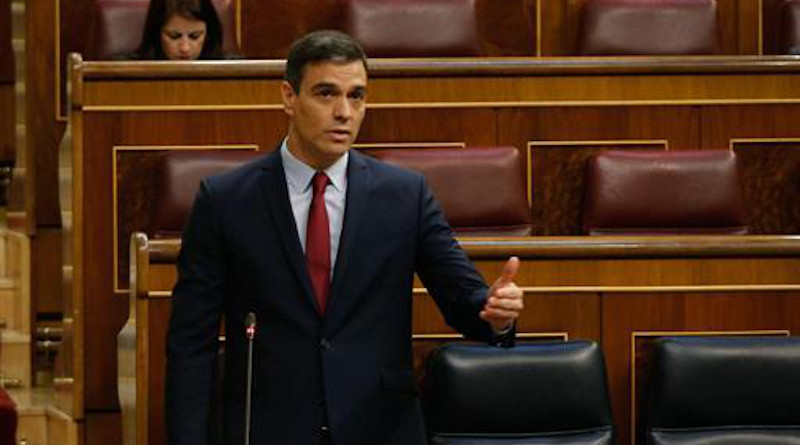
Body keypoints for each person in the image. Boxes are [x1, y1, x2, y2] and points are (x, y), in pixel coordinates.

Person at [166, 30, 525, 445]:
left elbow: (462, 298)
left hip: (379, 427)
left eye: (356, 96)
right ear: (288, 96)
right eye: (326, 94)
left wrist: (495, 314)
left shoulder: (405, 196)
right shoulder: (226, 201)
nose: (344, 112)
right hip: (268, 428)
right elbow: (191, 345)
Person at [132, 0, 227, 60]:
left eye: (195, 36)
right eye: (174, 36)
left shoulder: (235, 70)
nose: (185, 48)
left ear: (209, 34)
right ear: (156, 33)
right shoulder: (127, 72)